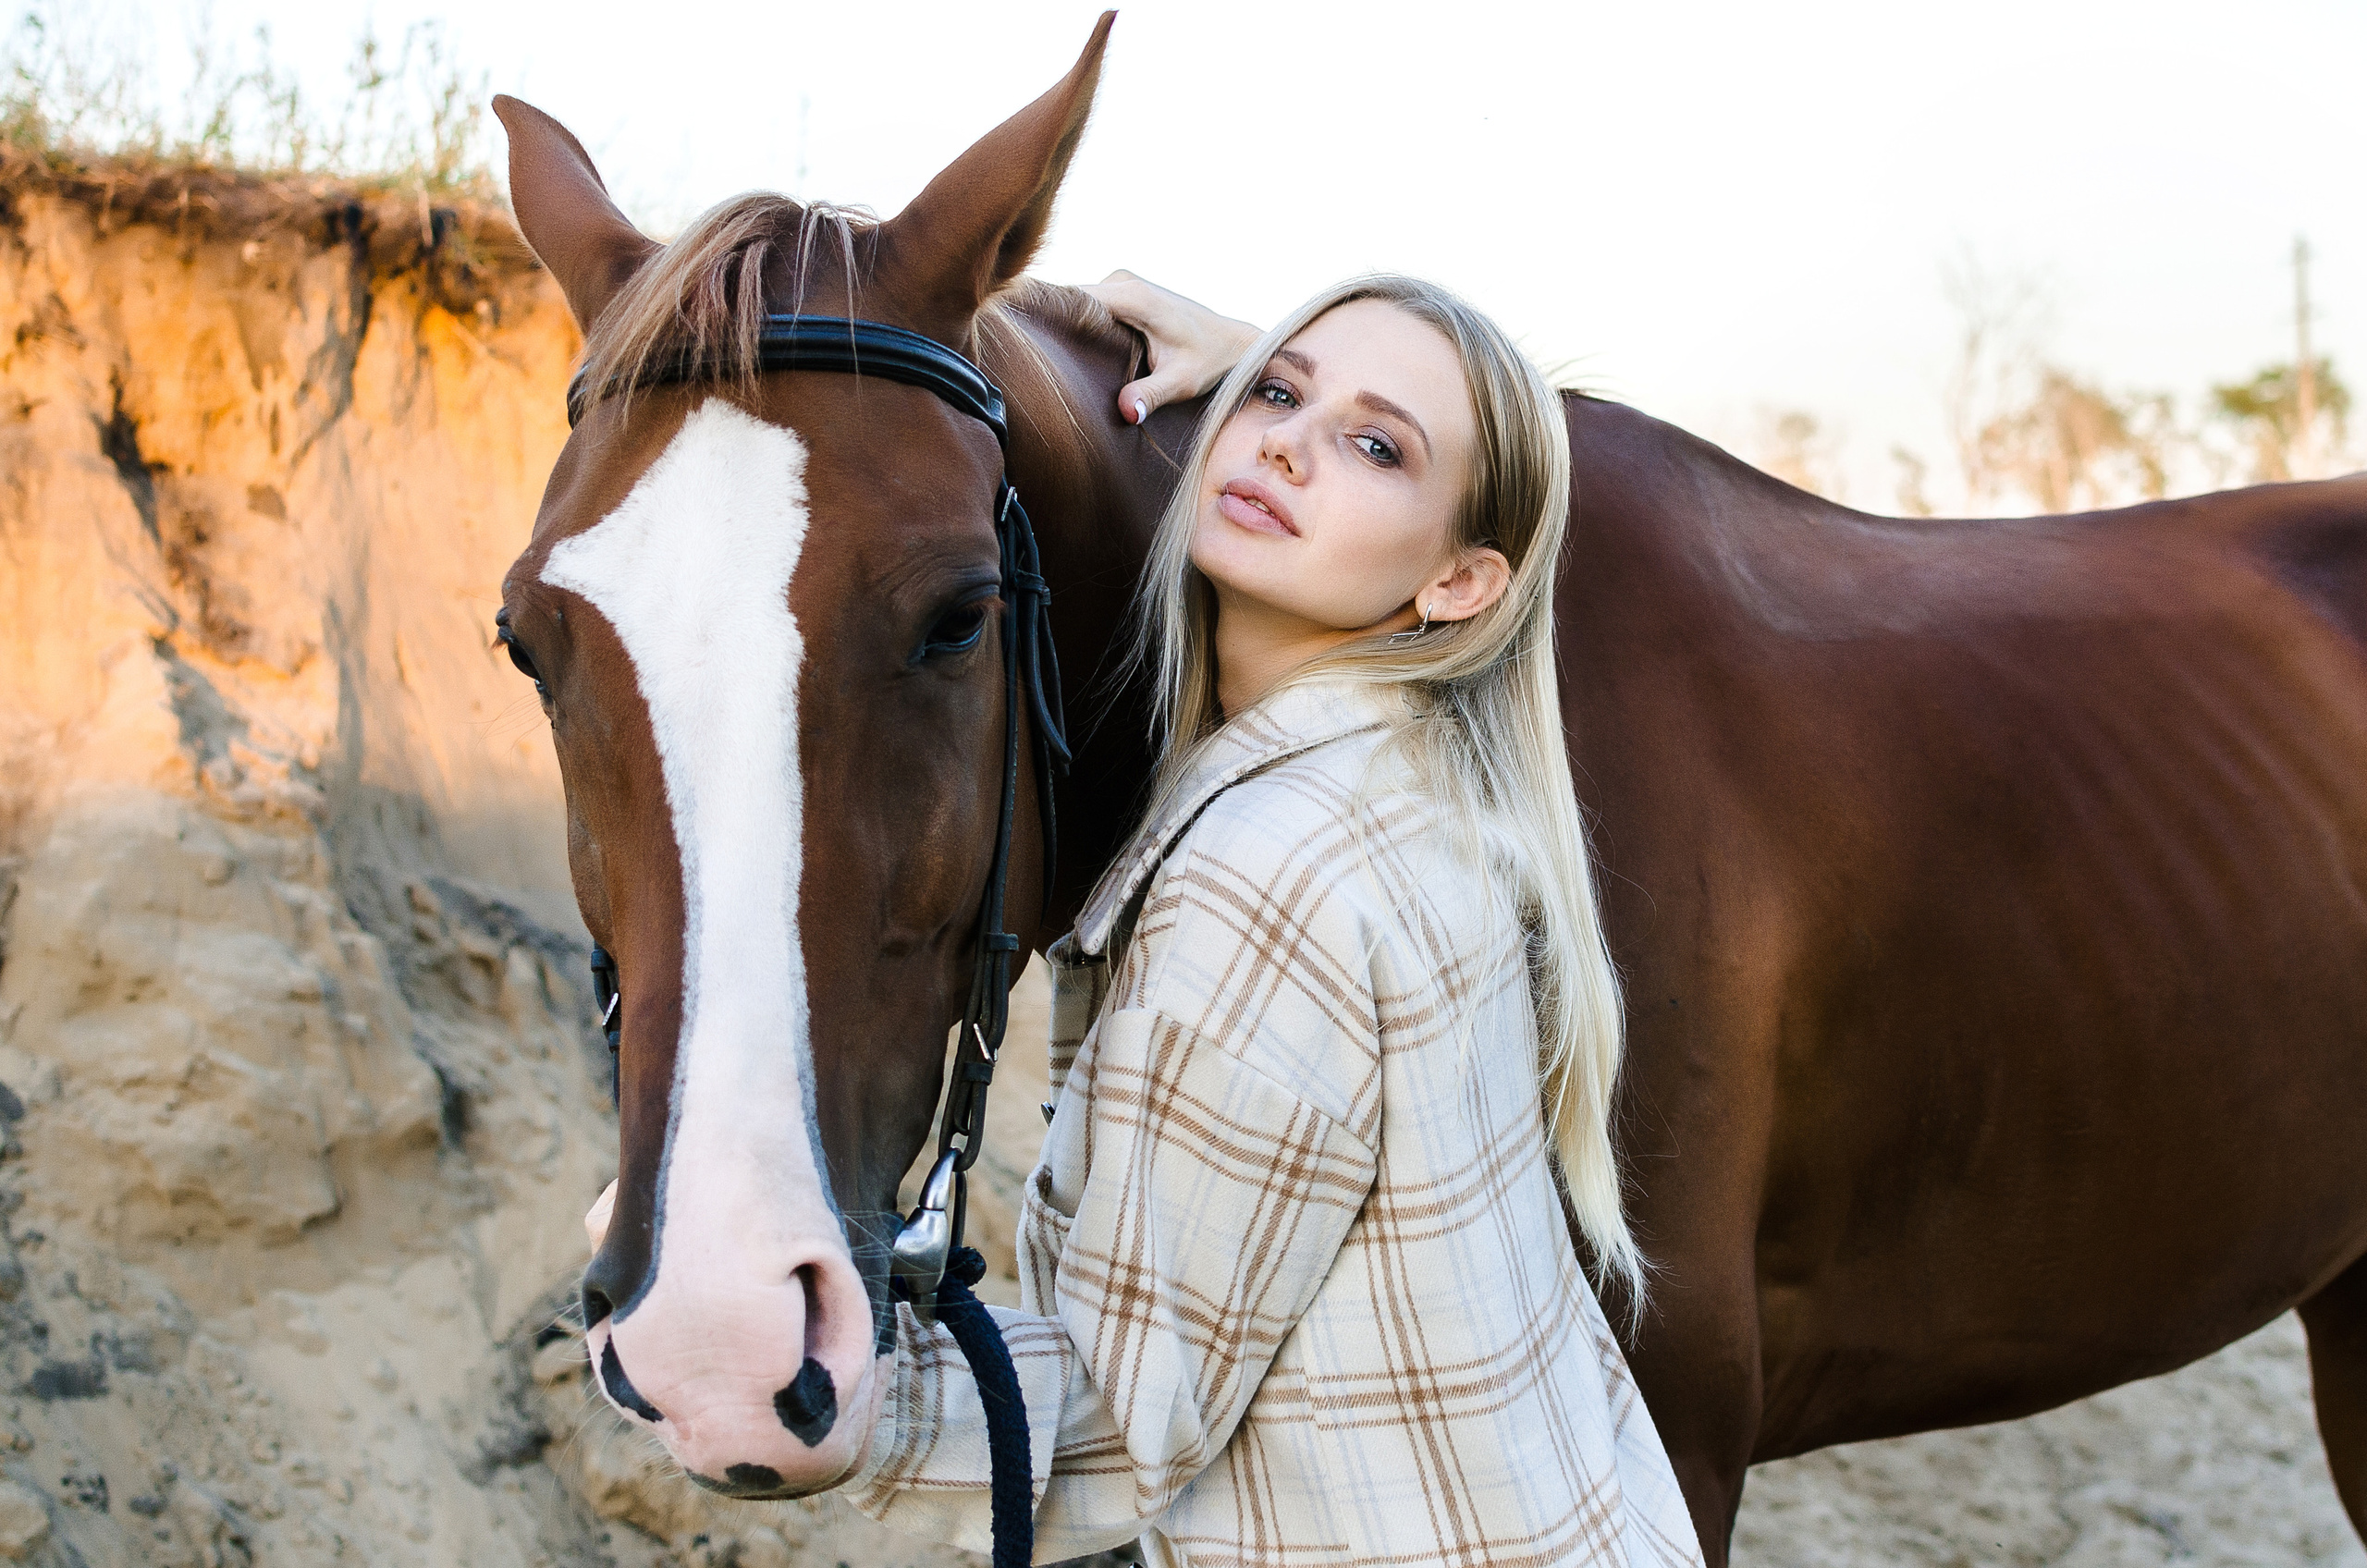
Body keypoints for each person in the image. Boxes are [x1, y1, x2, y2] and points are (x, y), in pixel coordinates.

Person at [843, 275, 1704, 1568]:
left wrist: (827, 1396)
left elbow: (1113, 1436)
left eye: (1374, 445)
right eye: (1277, 394)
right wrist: (1284, 382)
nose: (1286, 442)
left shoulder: (1264, 878)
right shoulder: (1422, 788)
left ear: (1464, 581)